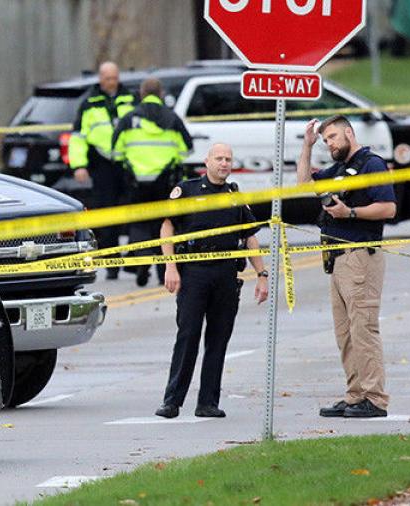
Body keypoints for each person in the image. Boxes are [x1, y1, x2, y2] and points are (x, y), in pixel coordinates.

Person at [154, 143, 269, 418]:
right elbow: (167, 226)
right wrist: (170, 266)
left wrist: (262, 274)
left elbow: (250, 235)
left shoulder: (234, 195)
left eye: (228, 159)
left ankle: (208, 402)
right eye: (218, 158)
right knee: (188, 335)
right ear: (207, 161)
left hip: (226, 275)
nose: (224, 163)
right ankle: (172, 401)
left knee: (218, 339)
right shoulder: (188, 190)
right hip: (194, 272)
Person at [297, 115, 397, 418]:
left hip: (360, 256)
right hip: (337, 258)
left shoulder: (372, 165)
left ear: (349, 133)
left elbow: (389, 208)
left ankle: (375, 399)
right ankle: (356, 395)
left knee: (363, 329)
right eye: (325, 139)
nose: (329, 144)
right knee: (345, 333)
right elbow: (303, 184)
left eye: (332, 137)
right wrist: (307, 145)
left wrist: (349, 212)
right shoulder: (338, 169)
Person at [112, 77, 193, 287]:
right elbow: (187, 149)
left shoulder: (129, 119)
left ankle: (142, 259)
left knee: (139, 223)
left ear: (141, 93)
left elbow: (116, 151)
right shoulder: (172, 119)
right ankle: (161, 272)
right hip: (165, 181)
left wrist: (132, 163)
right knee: (164, 224)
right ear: (161, 93)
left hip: (136, 181)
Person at [68, 61, 137, 280]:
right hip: (102, 165)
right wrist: (79, 165)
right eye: (107, 78)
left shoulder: (130, 98)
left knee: (135, 213)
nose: (111, 82)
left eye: (114, 78)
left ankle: (136, 259)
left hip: (129, 165)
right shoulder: (90, 103)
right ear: (100, 79)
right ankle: (112, 264)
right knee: (107, 215)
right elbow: (78, 138)